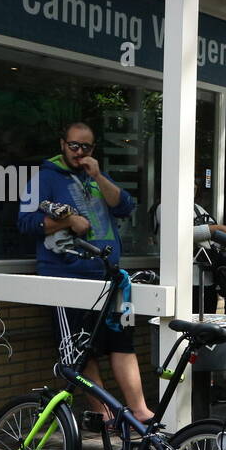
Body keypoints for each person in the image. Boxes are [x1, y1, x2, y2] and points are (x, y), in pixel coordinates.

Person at [18, 122, 154, 427]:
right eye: (74, 146)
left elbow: (126, 207)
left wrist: (97, 176)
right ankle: (104, 415)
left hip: (107, 277)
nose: (79, 152)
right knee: (80, 351)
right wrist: (67, 222)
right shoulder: (44, 178)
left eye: (86, 147)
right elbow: (26, 223)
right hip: (67, 278)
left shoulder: (95, 175)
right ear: (62, 144)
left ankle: (140, 412)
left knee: (121, 343)